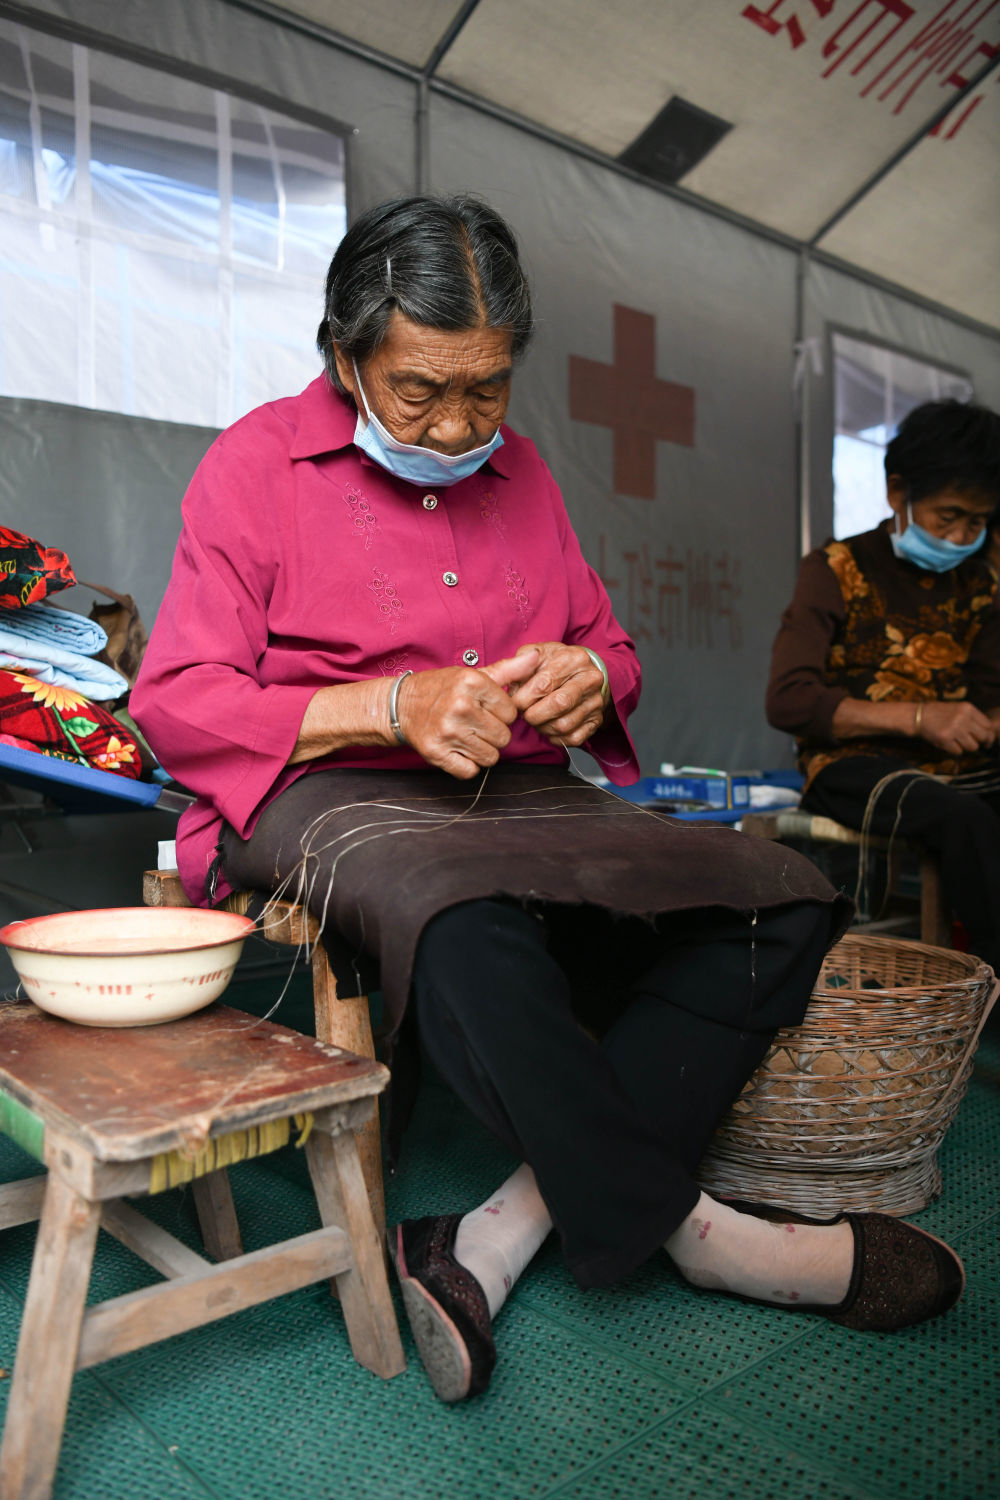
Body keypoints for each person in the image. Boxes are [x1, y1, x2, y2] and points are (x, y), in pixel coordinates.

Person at [133, 197, 964, 1405]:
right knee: (463, 921)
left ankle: (497, 1232)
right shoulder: (256, 464)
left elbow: (608, 647)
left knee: (780, 896)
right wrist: (388, 707)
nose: (459, 422)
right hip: (324, 788)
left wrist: (591, 678)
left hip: (517, 787)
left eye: (488, 387)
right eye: (420, 390)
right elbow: (177, 700)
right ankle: (706, 1237)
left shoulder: (519, 472)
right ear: (343, 351)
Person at [767, 399, 1000, 971]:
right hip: (852, 764)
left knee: (967, 807)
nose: (963, 534)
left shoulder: (984, 583)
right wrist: (921, 718)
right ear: (898, 492)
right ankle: (993, 980)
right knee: (963, 820)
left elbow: (990, 694)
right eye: (949, 516)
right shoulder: (835, 569)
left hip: (957, 765)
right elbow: (789, 700)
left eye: (979, 521)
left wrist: (984, 722)